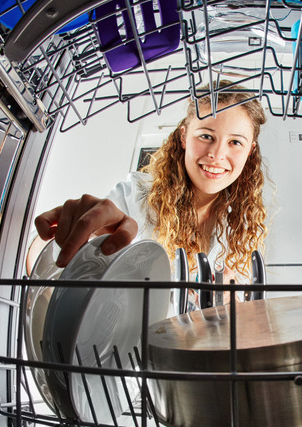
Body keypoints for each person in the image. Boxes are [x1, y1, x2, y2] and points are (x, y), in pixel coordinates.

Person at [34, 81, 268, 286]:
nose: (217, 154)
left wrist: (232, 303)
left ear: (251, 151)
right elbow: (59, 275)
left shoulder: (239, 224)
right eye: (206, 136)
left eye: (235, 142)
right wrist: (77, 240)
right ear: (184, 136)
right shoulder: (134, 198)